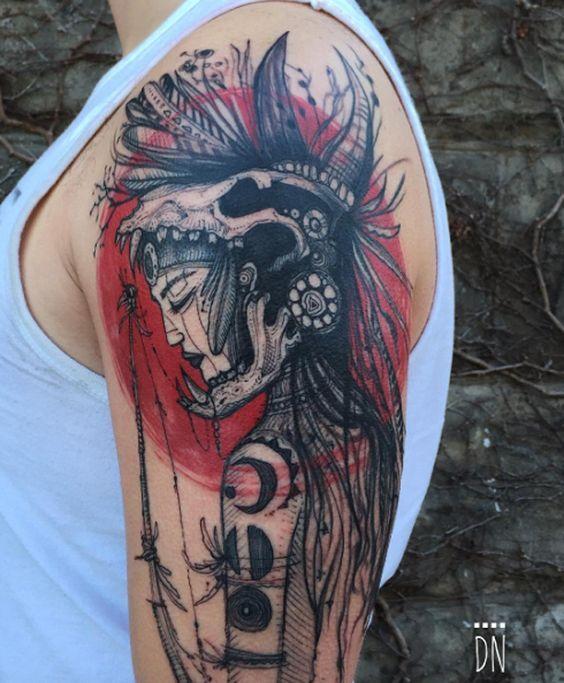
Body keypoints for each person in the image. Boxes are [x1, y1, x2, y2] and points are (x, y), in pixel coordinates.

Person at [0, 0, 453, 681]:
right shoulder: (163, 69)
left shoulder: (285, 56)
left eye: (183, 296)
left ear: (254, 275)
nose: (172, 330)